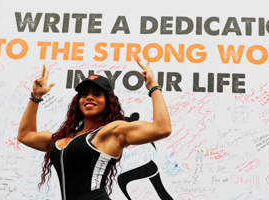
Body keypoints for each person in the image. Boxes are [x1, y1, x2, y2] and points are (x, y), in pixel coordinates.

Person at [17, 59, 172, 200]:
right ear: (77, 102)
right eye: (84, 94)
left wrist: (153, 86)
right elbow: (25, 135)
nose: (89, 97)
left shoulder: (111, 131)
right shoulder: (61, 139)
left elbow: (162, 128)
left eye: (97, 94)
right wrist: (36, 96)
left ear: (108, 102)